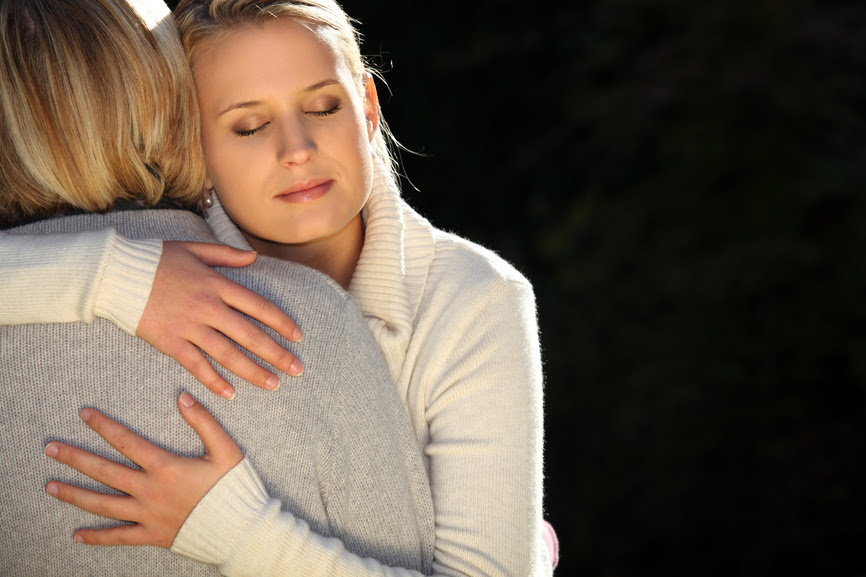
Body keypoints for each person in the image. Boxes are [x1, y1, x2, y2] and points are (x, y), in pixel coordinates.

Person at [0, 0, 553, 574]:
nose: (297, 149)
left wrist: (239, 534)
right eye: (250, 126)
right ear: (191, 141)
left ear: (367, 108)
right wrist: (115, 277)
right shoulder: (157, 253)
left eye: (323, 107)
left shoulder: (477, 299)